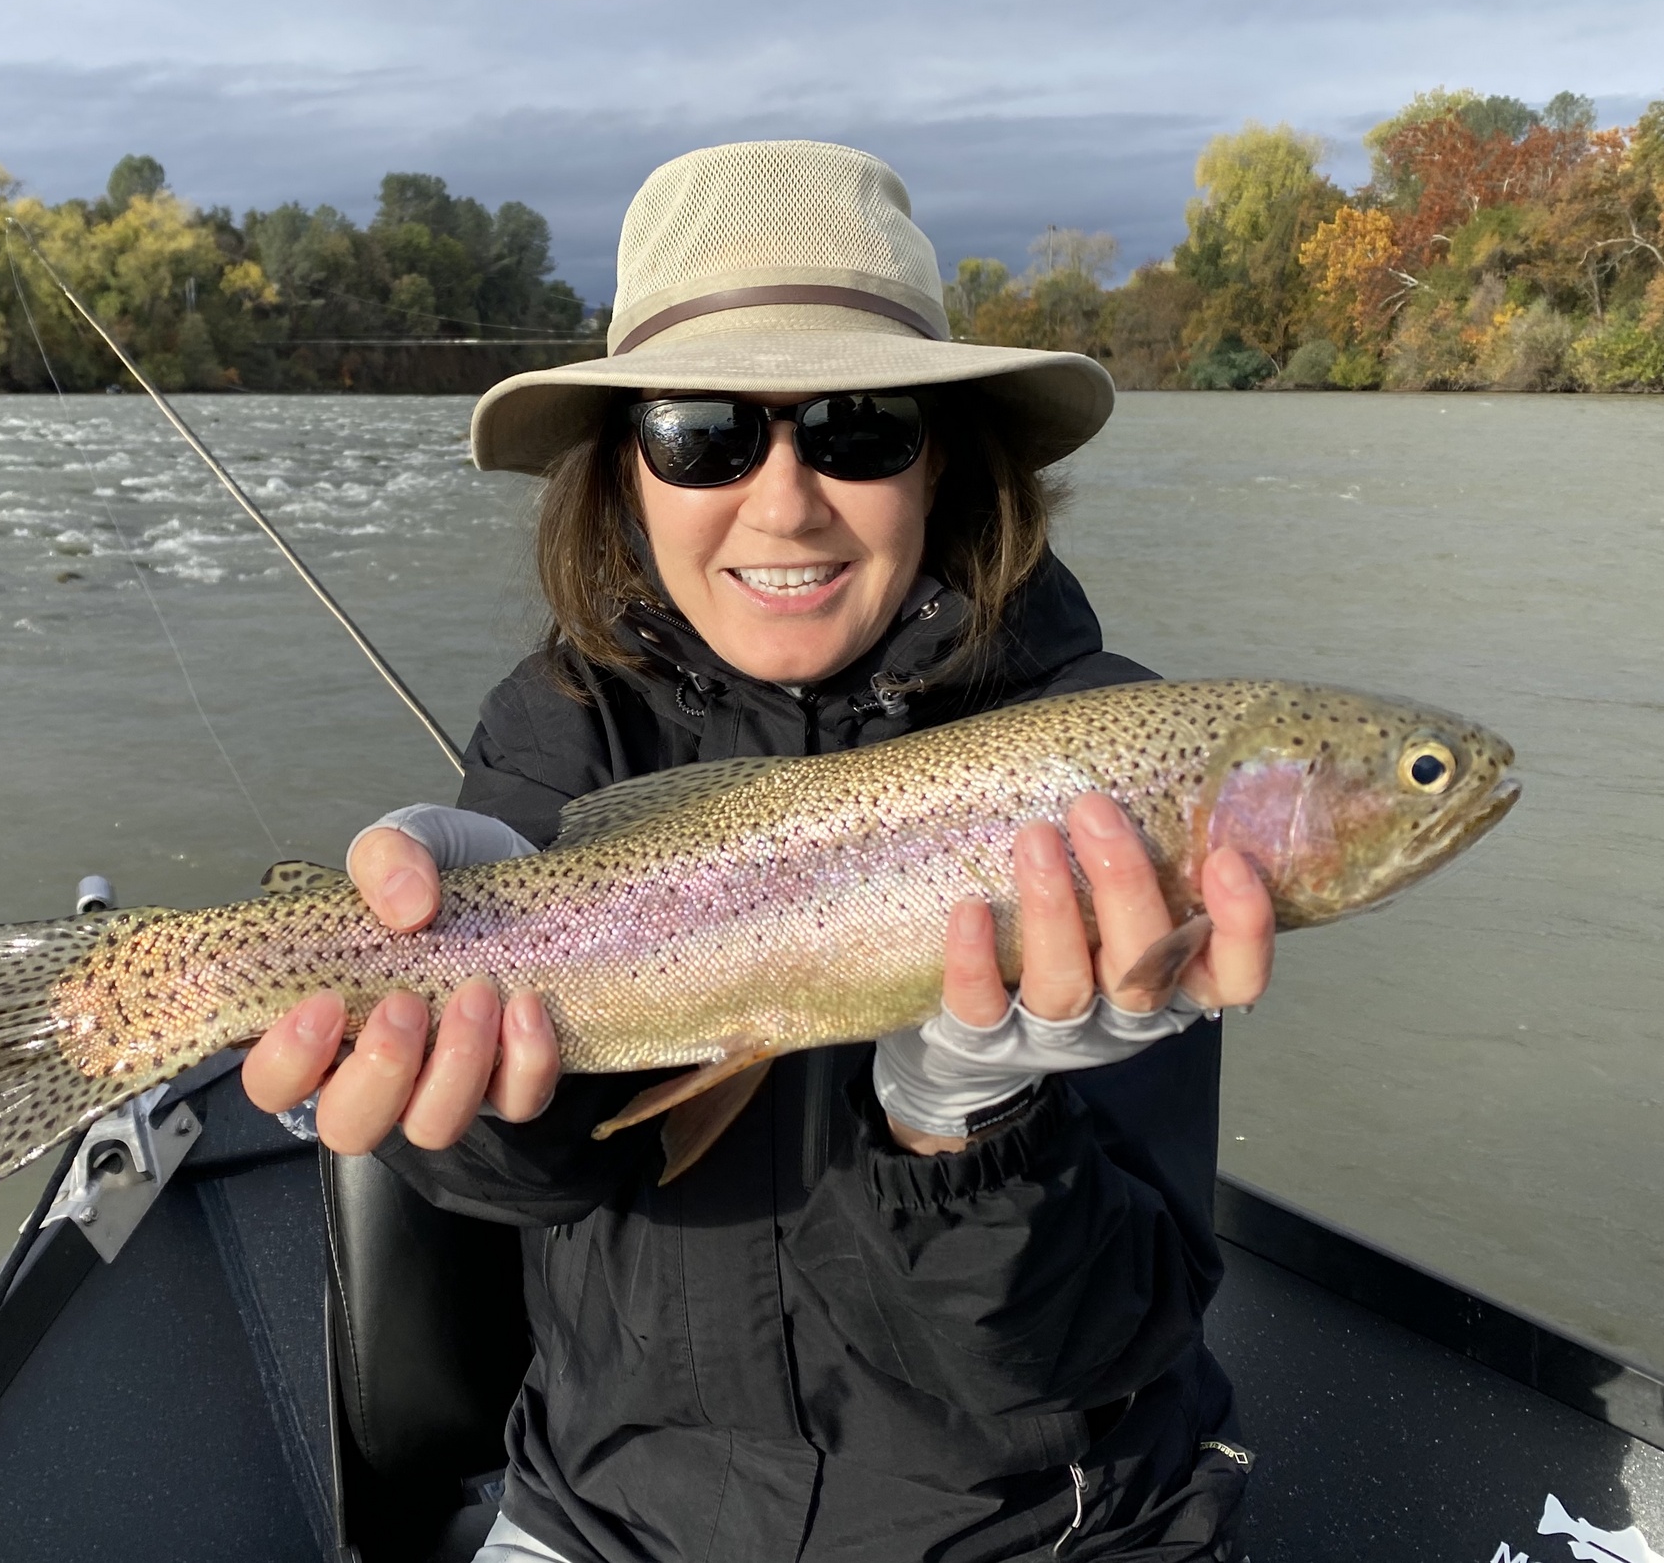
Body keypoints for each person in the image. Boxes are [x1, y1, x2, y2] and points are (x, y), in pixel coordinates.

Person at [243, 140, 1275, 1562]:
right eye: (704, 431)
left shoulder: (1110, 766)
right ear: (625, 473)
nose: (784, 500)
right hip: (611, 1515)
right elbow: (534, 1183)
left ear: (944, 460)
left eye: (858, 427)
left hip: (1040, 1528)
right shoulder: (555, 723)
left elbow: (1098, 1342)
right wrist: (459, 1065)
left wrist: (963, 1121)